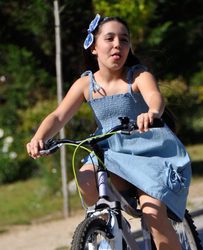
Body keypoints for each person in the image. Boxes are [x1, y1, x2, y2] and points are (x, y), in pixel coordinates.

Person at [26, 14, 192, 250]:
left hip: (149, 151)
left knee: (153, 214)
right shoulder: (86, 85)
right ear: (93, 47)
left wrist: (152, 113)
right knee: (84, 176)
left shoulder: (137, 76)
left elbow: (155, 97)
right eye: (110, 38)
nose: (118, 45)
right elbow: (58, 116)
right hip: (110, 151)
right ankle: (107, 225)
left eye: (124, 40)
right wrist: (39, 137)